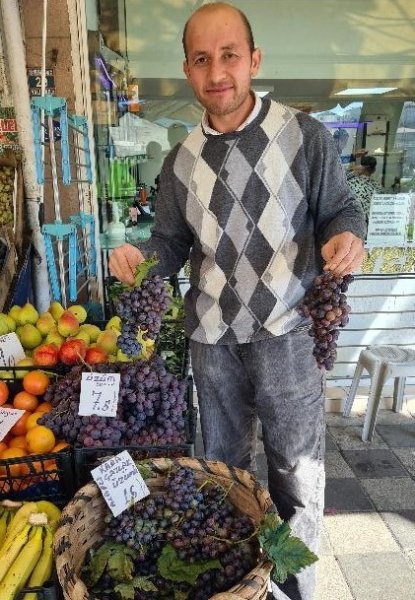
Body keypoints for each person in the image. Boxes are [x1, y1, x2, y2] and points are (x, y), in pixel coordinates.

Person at [109, 3, 366, 598]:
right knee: (223, 473)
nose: (217, 71)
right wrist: (139, 261)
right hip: (213, 342)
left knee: (297, 477)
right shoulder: (179, 162)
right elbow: (169, 243)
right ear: (187, 70)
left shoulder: (305, 136)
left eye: (229, 56)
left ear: (254, 61)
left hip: (288, 332)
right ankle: (239, 587)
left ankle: (295, 588)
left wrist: (345, 236)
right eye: (202, 59)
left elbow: (340, 211)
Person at [347, 155, 383, 223]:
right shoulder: (378, 187)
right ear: (373, 170)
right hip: (373, 223)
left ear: (360, 167)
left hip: (354, 222)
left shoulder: (350, 183)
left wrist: (352, 170)